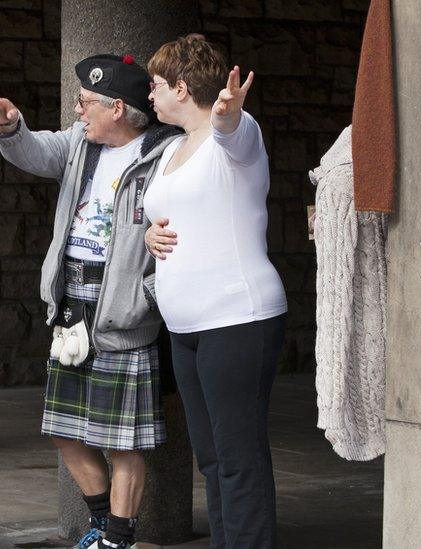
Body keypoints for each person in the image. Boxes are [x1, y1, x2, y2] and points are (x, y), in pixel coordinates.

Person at [0, 53, 181, 549]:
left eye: (86, 102)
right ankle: (101, 523)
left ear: (118, 108)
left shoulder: (166, 156)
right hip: (73, 298)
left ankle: (119, 537)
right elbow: (33, 150)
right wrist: (10, 127)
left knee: (123, 436)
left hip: (123, 304)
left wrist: (148, 294)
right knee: (63, 426)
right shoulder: (80, 145)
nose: (77, 110)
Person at [143, 34, 287, 549]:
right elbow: (167, 213)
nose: (150, 95)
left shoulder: (238, 134)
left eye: (156, 85)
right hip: (185, 327)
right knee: (211, 458)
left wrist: (227, 113)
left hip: (237, 319)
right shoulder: (171, 150)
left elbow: (231, 131)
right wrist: (147, 233)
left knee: (238, 457)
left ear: (182, 87)